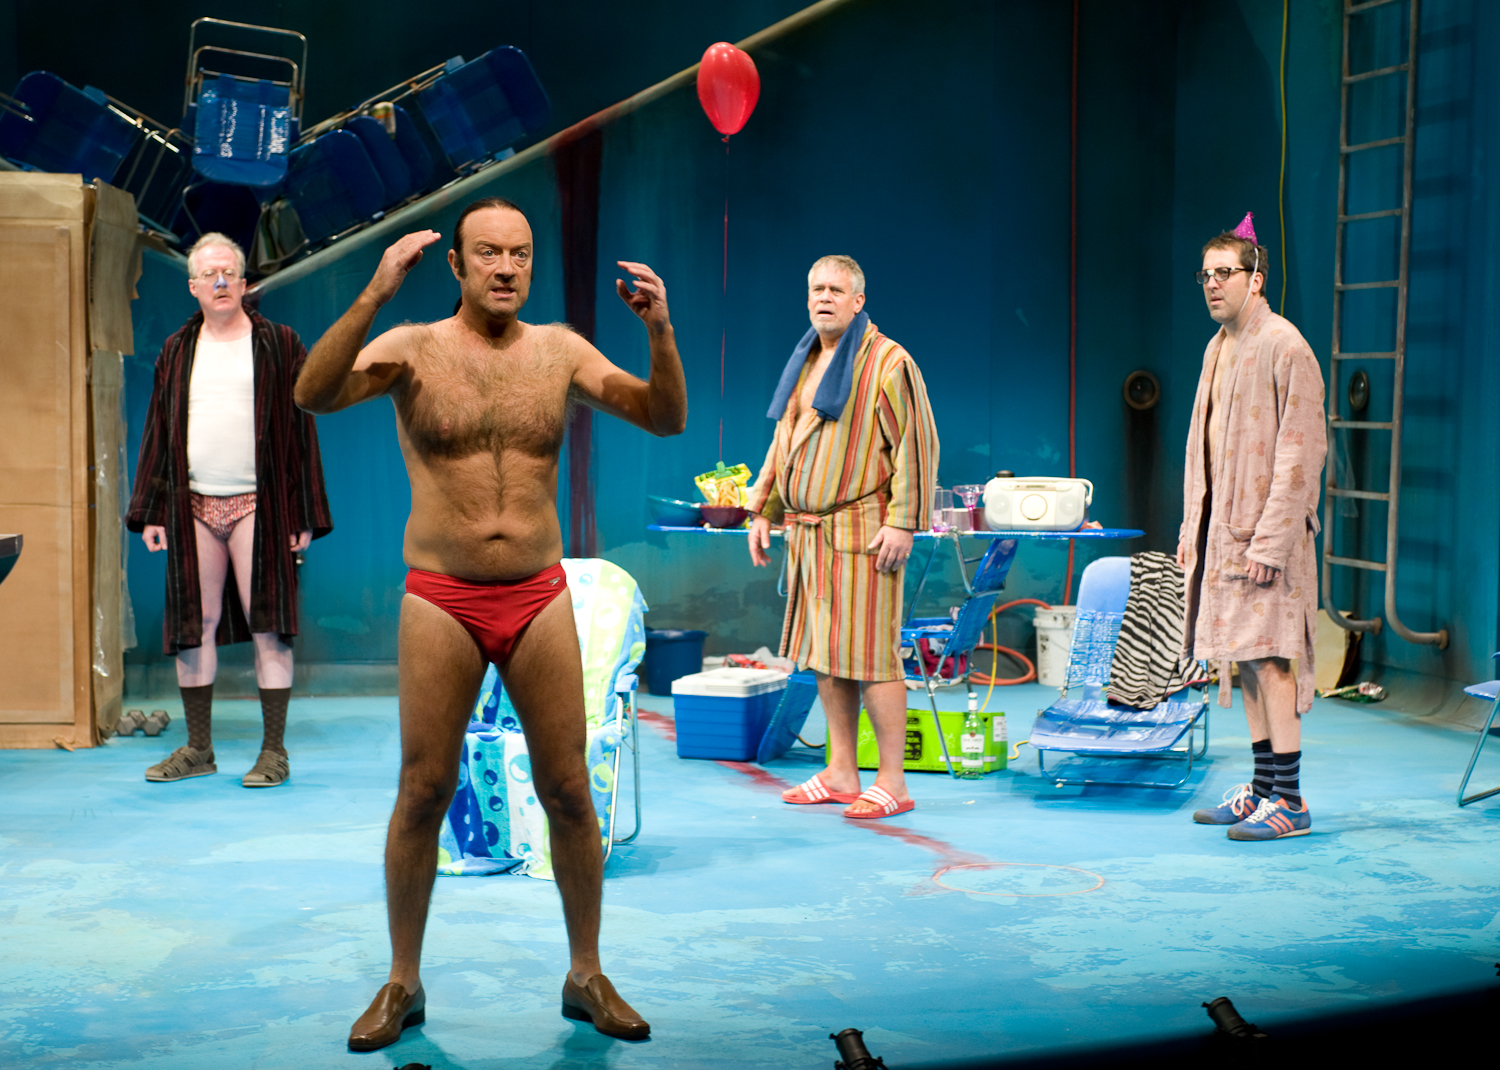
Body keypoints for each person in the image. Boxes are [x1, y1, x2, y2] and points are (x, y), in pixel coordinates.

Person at [294, 197, 686, 1050]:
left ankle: (586, 974)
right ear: (457, 264)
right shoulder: (413, 348)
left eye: (520, 253)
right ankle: (402, 981)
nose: (506, 267)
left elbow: (664, 417)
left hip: (537, 593)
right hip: (443, 596)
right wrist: (375, 291)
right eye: (488, 253)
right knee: (422, 790)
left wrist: (658, 328)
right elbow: (313, 392)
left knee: (569, 790)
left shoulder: (559, 350)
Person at [127, 232, 331, 789]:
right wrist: (151, 510)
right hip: (193, 504)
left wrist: (303, 513)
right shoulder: (176, 349)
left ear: (244, 283)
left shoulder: (279, 344)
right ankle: (199, 749)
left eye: (229, 273)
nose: (219, 282)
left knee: (270, 625)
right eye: (208, 275)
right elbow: (158, 430)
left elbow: (303, 430)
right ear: (193, 286)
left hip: (259, 505)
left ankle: (273, 751)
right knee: (195, 625)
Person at [746, 255, 939, 820]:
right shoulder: (807, 358)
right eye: (816, 289)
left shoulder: (888, 361)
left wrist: (903, 521)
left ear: (858, 301)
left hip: (863, 532)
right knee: (826, 657)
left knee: (873, 657)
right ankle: (840, 773)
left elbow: (917, 444)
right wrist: (763, 509)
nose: (824, 297)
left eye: (836, 289)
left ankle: (893, 783)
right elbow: (784, 442)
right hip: (809, 536)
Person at [1177, 213, 1327, 841]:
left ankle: (1289, 801)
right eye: (1205, 275)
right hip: (1223, 536)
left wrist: (1269, 542)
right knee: (1242, 659)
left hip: (1266, 540)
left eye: (1225, 273)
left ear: (1255, 279)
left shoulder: (1285, 345)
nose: (1213, 284)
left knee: (1270, 660)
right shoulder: (1218, 347)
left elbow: (1300, 454)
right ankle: (1264, 789)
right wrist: (1192, 530)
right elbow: (1203, 450)